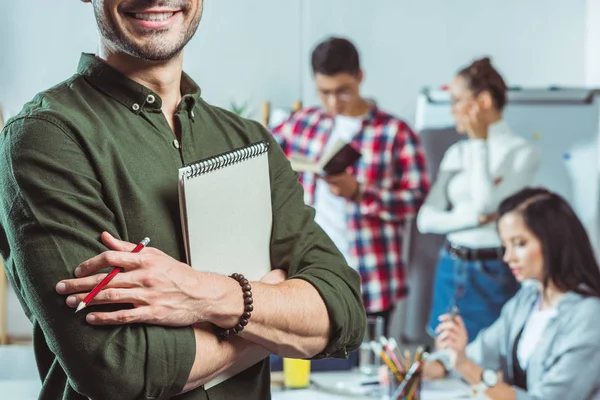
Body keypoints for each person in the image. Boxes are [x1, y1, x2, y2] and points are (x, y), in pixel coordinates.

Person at [0, 1, 366, 399]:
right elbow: (116, 367)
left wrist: (206, 293)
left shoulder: (249, 141)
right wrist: (272, 317)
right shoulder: (45, 138)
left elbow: (342, 311)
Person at [271, 37, 430, 335]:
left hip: (371, 277)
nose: (333, 102)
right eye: (325, 92)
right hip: (309, 273)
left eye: (343, 91)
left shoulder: (395, 133)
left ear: (360, 77)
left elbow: (417, 199)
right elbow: (257, 154)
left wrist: (359, 192)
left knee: (367, 371)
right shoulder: (302, 123)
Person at [423, 187, 600, 400]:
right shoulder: (527, 300)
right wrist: (421, 368)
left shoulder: (589, 317)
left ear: (554, 241)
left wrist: (466, 367)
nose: (508, 257)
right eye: (505, 246)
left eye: (519, 244)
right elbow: (481, 352)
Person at [416, 57, 540, 341]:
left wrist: (480, 142)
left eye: (458, 100)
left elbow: (488, 204)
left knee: (489, 354)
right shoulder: (456, 153)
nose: (452, 110)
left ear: (483, 101)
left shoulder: (522, 152)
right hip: (451, 263)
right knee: (443, 355)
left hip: (493, 270)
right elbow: (426, 219)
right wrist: (473, 220)